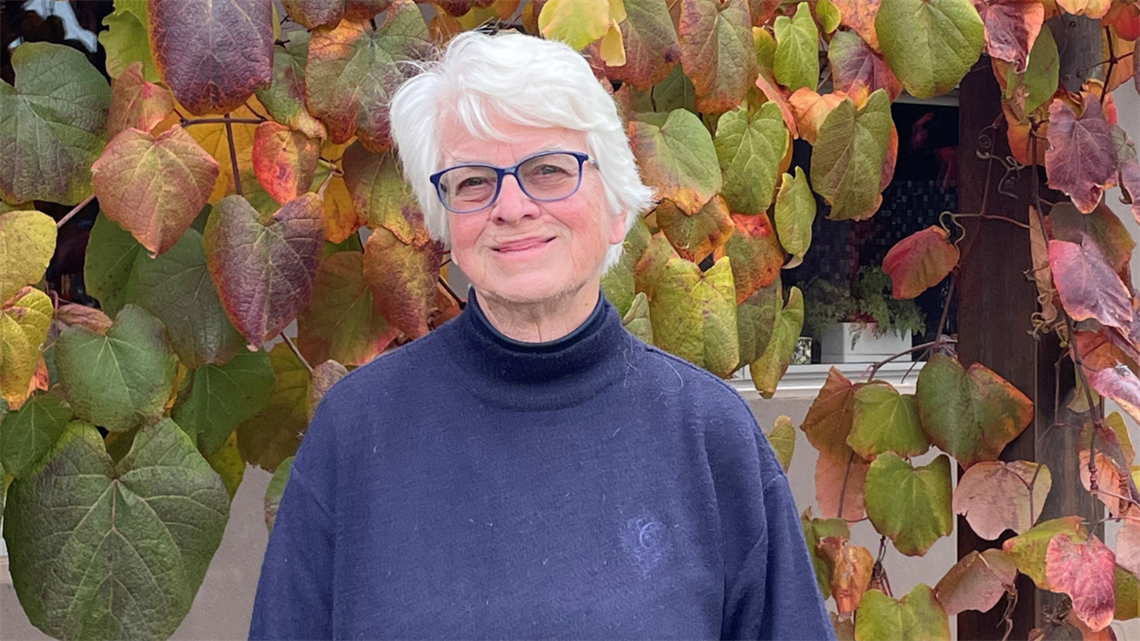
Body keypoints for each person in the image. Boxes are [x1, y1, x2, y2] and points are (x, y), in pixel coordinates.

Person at [248, 29, 836, 641]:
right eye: (473, 180)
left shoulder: (711, 440)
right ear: (444, 220)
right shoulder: (356, 431)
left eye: (549, 170)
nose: (511, 205)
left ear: (615, 207)